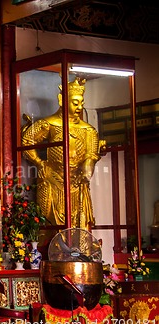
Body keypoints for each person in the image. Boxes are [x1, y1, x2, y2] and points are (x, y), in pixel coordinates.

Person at [21, 77, 104, 229]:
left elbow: (91, 154)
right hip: (53, 180)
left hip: (77, 183)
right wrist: (40, 163)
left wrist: (88, 164)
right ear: (62, 100)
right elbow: (26, 141)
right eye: (75, 103)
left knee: (80, 225)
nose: (79, 107)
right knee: (50, 223)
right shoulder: (50, 123)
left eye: (81, 103)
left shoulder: (89, 130)